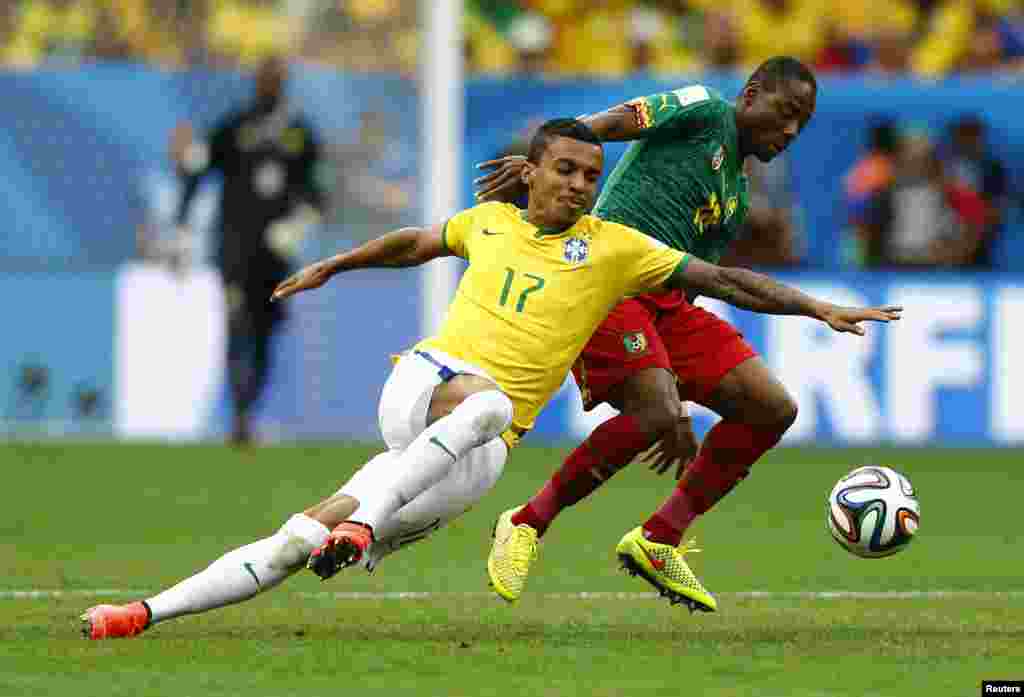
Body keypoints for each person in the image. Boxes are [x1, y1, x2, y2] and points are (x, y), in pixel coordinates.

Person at [81, 119, 898, 639]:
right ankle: (365, 526)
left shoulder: (615, 247)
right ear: (530, 172)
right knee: (490, 402)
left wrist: (818, 307)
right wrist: (333, 263)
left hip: (469, 454)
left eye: (591, 173)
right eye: (567, 170)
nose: (582, 183)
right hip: (429, 385)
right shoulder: (491, 221)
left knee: (300, 541)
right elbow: (414, 242)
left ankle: (143, 612)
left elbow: (727, 283)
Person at [476, 57, 822, 610]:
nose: (789, 132)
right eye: (785, 113)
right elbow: (610, 123)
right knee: (655, 411)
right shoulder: (704, 109)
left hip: (665, 302)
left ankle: (659, 538)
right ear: (752, 94)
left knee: (771, 407)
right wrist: (546, 163)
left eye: (800, 125)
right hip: (606, 280)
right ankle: (524, 522)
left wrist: (681, 399)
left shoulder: (734, 197)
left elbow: (693, 281)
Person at [169, 55, 326, 445]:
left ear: (284, 83)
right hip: (235, 249)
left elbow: (317, 192)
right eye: (264, 78)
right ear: (256, 82)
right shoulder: (234, 127)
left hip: (276, 255)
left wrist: (296, 226)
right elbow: (196, 170)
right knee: (237, 325)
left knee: (266, 330)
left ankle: (249, 407)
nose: (269, 85)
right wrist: (184, 226)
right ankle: (240, 416)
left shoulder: (299, 135)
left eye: (275, 78)